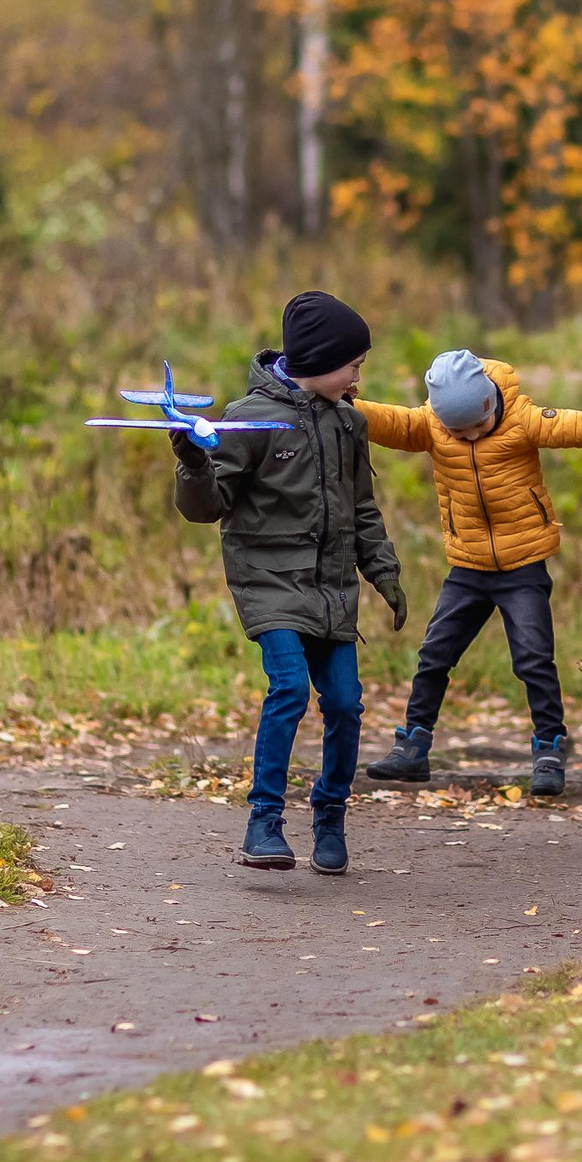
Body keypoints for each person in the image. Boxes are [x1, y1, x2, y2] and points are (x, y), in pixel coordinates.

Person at [356, 349, 582, 796]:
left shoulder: (524, 420)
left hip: (523, 569)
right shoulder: (431, 427)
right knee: (433, 655)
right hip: (467, 567)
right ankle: (413, 747)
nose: (472, 436)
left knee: (533, 660)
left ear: (491, 404)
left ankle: (550, 750)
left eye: (479, 425)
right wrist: (325, 398)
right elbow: (380, 419)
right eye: (460, 431)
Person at [171, 291, 407, 875]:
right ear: (321, 362)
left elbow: (363, 508)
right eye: (353, 364)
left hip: (332, 589)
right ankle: (264, 821)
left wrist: (383, 571)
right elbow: (206, 507)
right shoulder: (251, 419)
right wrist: (193, 462)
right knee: (289, 690)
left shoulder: (351, 424)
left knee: (347, 705)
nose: (358, 376)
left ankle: (330, 817)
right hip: (267, 580)